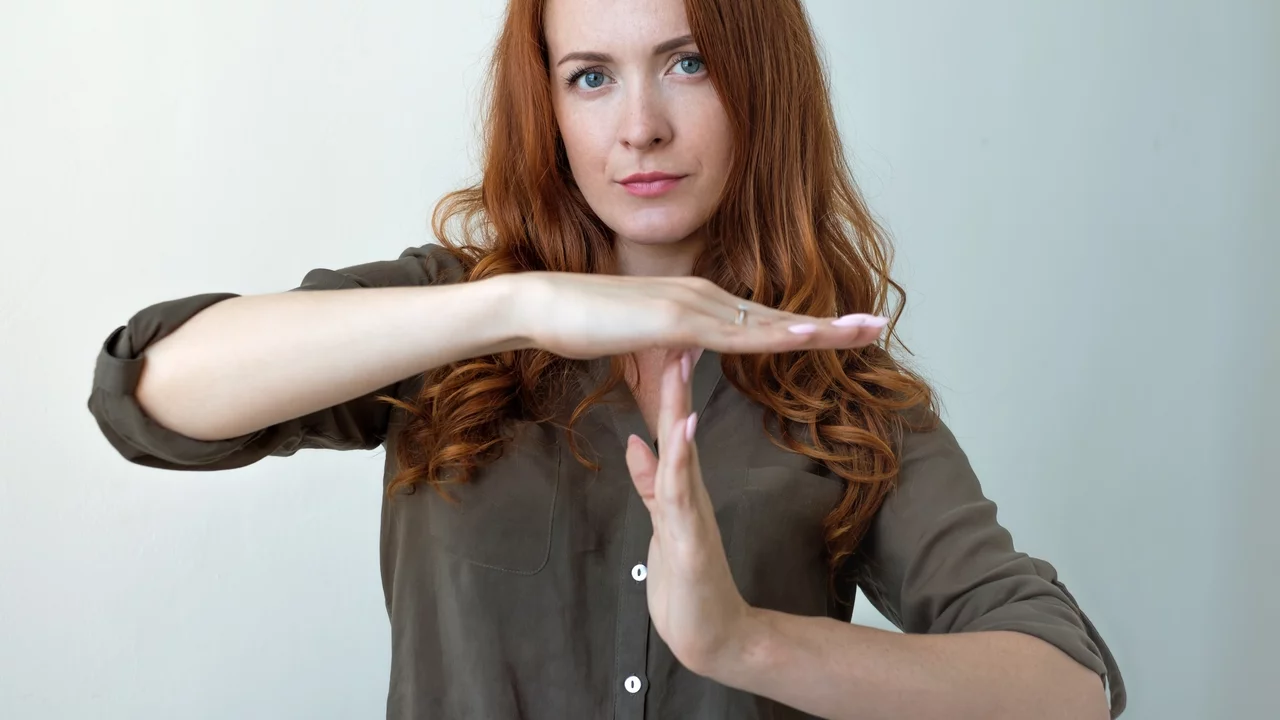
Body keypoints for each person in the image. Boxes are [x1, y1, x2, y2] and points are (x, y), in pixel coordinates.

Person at [87, 0, 1126, 717]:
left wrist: (740, 642)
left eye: (688, 62)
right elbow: (151, 393)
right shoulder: (451, 317)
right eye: (590, 77)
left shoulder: (845, 399)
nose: (640, 127)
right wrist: (514, 304)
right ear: (548, 106)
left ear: (759, 85)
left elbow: (1065, 687)